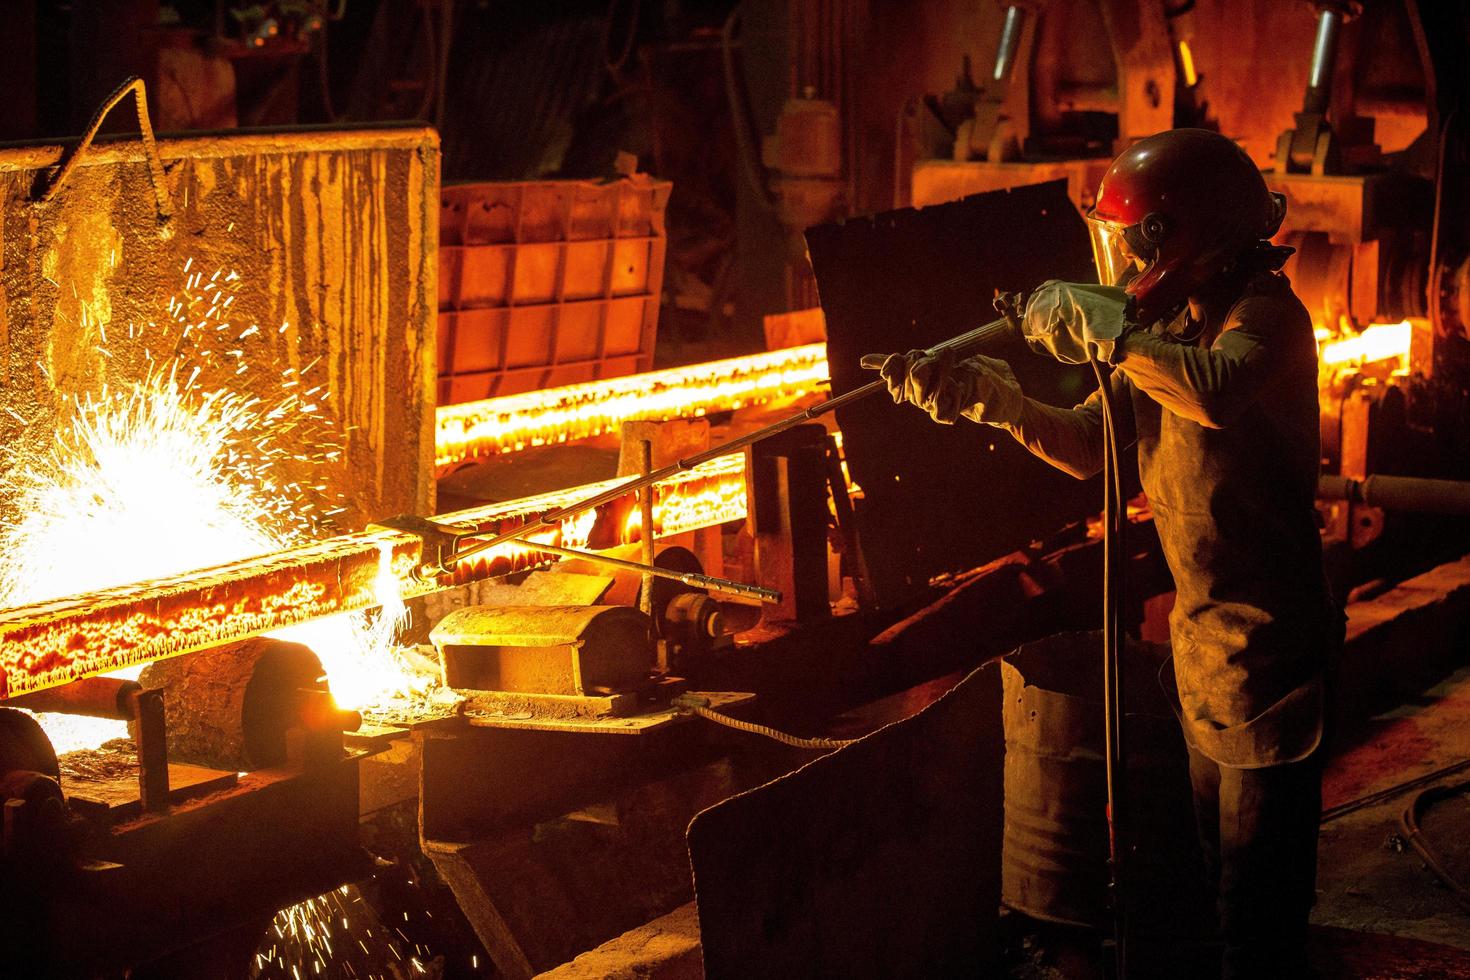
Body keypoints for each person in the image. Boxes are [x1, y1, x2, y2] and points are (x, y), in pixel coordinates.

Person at [865, 128, 1343, 979]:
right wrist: (991, 400)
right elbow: (1092, 445)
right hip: (1204, 654)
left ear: (1181, 235)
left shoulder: (1265, 317)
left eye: (1130, 245)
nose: (1120, 268)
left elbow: (1216, 391)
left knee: (1256, 922)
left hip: (1270, 660)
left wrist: (1108, 335)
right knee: (1210, 894)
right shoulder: (1173, 325)